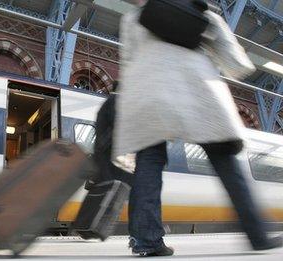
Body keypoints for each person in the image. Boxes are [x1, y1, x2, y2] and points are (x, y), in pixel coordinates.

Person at [114, 0, 283, 256]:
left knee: (148, 164)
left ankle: (146, 241)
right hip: (196, 93)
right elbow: (236, 62)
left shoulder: (132, 19)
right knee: (226, 163)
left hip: (147, 97)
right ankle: (257, 235)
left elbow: (126, 62)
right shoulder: (201, 12)